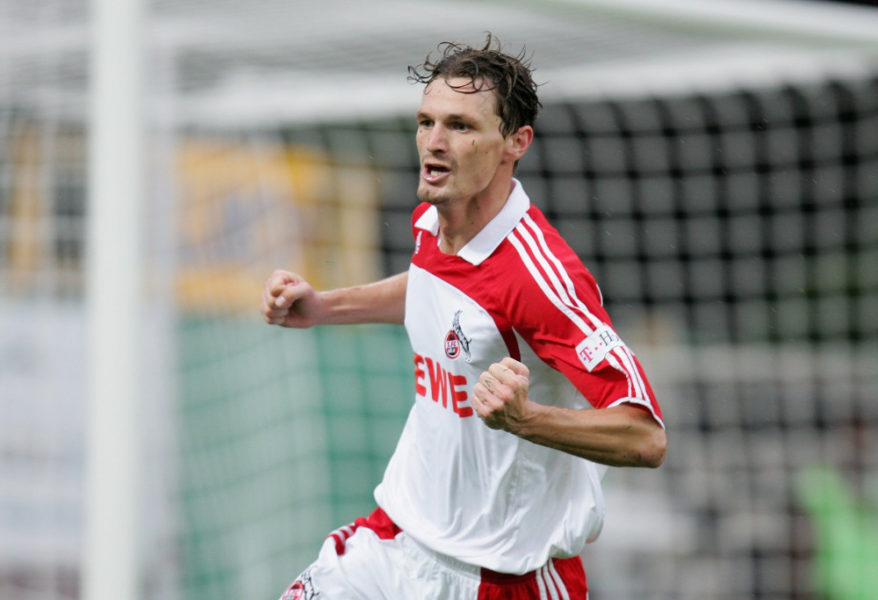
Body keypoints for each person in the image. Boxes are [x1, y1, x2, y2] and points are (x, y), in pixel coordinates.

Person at [262, 34, 666, 600]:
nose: (434, 143)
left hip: (501, 578)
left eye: (461, 126)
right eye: (426, 122)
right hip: (395, 541)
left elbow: (645, 437)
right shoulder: (434, 220)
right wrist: (326, 306)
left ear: (515, 142)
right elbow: (436, 292)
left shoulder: (540, 278)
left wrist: (527, 419)